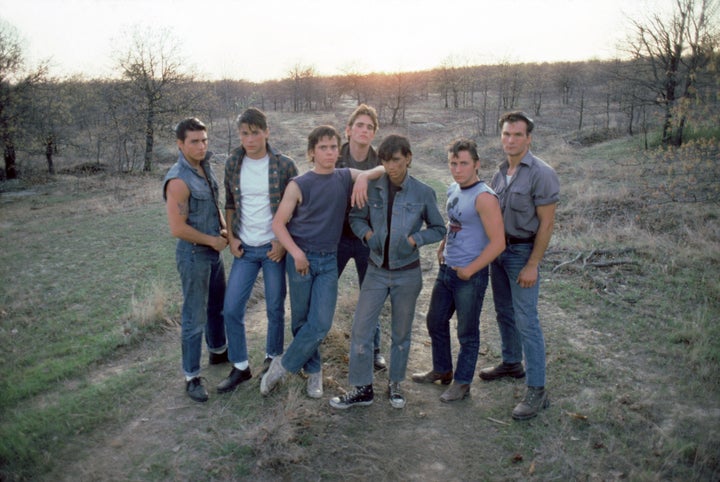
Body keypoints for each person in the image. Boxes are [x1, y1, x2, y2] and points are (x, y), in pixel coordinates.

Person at [261, 125, 385, 399]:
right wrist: (296, 253)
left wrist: (363, 176)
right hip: (301, 259)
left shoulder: (343, 177)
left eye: (333, 147)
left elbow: (384, 170)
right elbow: (278, 224)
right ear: (312, 152)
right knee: (302, 320)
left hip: (329, 260)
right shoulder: (299, 184)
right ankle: (314, 373)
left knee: (321, 323)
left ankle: (282, 365)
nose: (329, 152)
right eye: (323, 148)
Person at [329, 134, 446, 410]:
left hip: (407, 273)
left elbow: (440, 228)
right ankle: (362, 388)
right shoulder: (372, 187)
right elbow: (355, 218)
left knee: (401, 333)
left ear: (408, 158)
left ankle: (395, 384)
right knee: (361, 329)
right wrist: (368, 235)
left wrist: (416, 240)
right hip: (376, 271)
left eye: (396, 160)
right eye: (385, 160)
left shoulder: (423, 192)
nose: (391, 166)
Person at [478, 111, 560, 420]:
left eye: (517, 135)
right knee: (504, 313)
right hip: (499, 252)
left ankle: (537, 391)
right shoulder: (500, 172)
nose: (510, 140)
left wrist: (533, 264)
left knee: (527, 320)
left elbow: (547, 224)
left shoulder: (541, 173)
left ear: (528, 138)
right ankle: (511, 363)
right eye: (506, 134)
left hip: (523, 254)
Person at [411, 139, 505, 402]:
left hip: (469, 276)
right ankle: (442, 369)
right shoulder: (454, 188)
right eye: (453, 163)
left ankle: (462, 383)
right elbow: (456, 222)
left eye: (464, 163)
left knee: (467, 332)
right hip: (447, 269)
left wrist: (470, 270)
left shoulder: (484, 197)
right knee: (435, 320)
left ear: (476, 164)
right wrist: (442, 245)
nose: (458, 168)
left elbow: (499, 243)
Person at [216, 108, 298, 394]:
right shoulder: (232, 164)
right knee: (231, 309)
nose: (249, 139)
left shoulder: (284, 165)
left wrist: (281, 242)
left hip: (273, 248)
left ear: (266, 132)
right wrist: (231, 237)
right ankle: (240, 366)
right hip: (246, 248)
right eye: (244, 133)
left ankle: (272, 359)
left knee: (275, 307)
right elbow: (229, 203)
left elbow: (296, 208)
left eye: (254, 132)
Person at [163, 117, 229, 403]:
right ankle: (192, 376)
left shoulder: (205, 166)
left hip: (213, 252)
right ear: (180, 144)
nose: (201, 146)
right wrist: (212, 240)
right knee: (194, 315)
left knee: (218, 306)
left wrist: (226, 229)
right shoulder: (178, 179)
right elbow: (177, 228)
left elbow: (214, 204)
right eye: (194, 141)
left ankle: (218, 351)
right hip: (194, 255)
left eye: (204, 140)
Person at [335, 104, 386, 370]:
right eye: (359, 125)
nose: (364, 131)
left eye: (369, 127)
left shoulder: (380, 161)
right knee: (323, 289)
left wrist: (368, 174)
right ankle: (313, 342)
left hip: (367, 237)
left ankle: (374, 348)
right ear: (349, 130)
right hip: (336, 237)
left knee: (371, 293)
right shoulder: (334, 155)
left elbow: (389, 176)